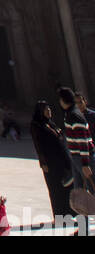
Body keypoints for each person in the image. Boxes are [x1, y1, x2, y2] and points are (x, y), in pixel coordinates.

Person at [58, 86, 95, 235]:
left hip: (83, 159)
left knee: (92, 191)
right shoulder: (70, 115)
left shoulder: (75, 116)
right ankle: (83, 229)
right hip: (76, 158)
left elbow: (83, 141)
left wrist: (85, 164)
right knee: (79, 195)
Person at [30, 100, 73, 220]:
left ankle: (71, 213)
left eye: (49, 109)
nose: (49, 112)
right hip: (51, 163)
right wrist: (43, 162)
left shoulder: (51, 124)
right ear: (40, 112)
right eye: (46, 110)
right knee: (56, 189)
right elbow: (38, 145)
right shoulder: (37, 125)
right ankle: (61, 216)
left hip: (62, 160)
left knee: (68, 187)